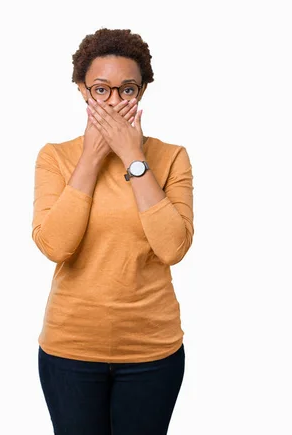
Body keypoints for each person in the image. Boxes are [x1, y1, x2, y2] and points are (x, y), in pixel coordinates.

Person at [31, 28, 195, 435]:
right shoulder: (56, 157)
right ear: (81, 91)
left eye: (127, 90)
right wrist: (90, 159)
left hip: (152, 350)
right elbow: (55, 245)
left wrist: (133, 157)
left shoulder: (172, 158)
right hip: (70, 348)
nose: (115, 102)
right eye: (101, 90)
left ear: (142, 93)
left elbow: (172, 246)